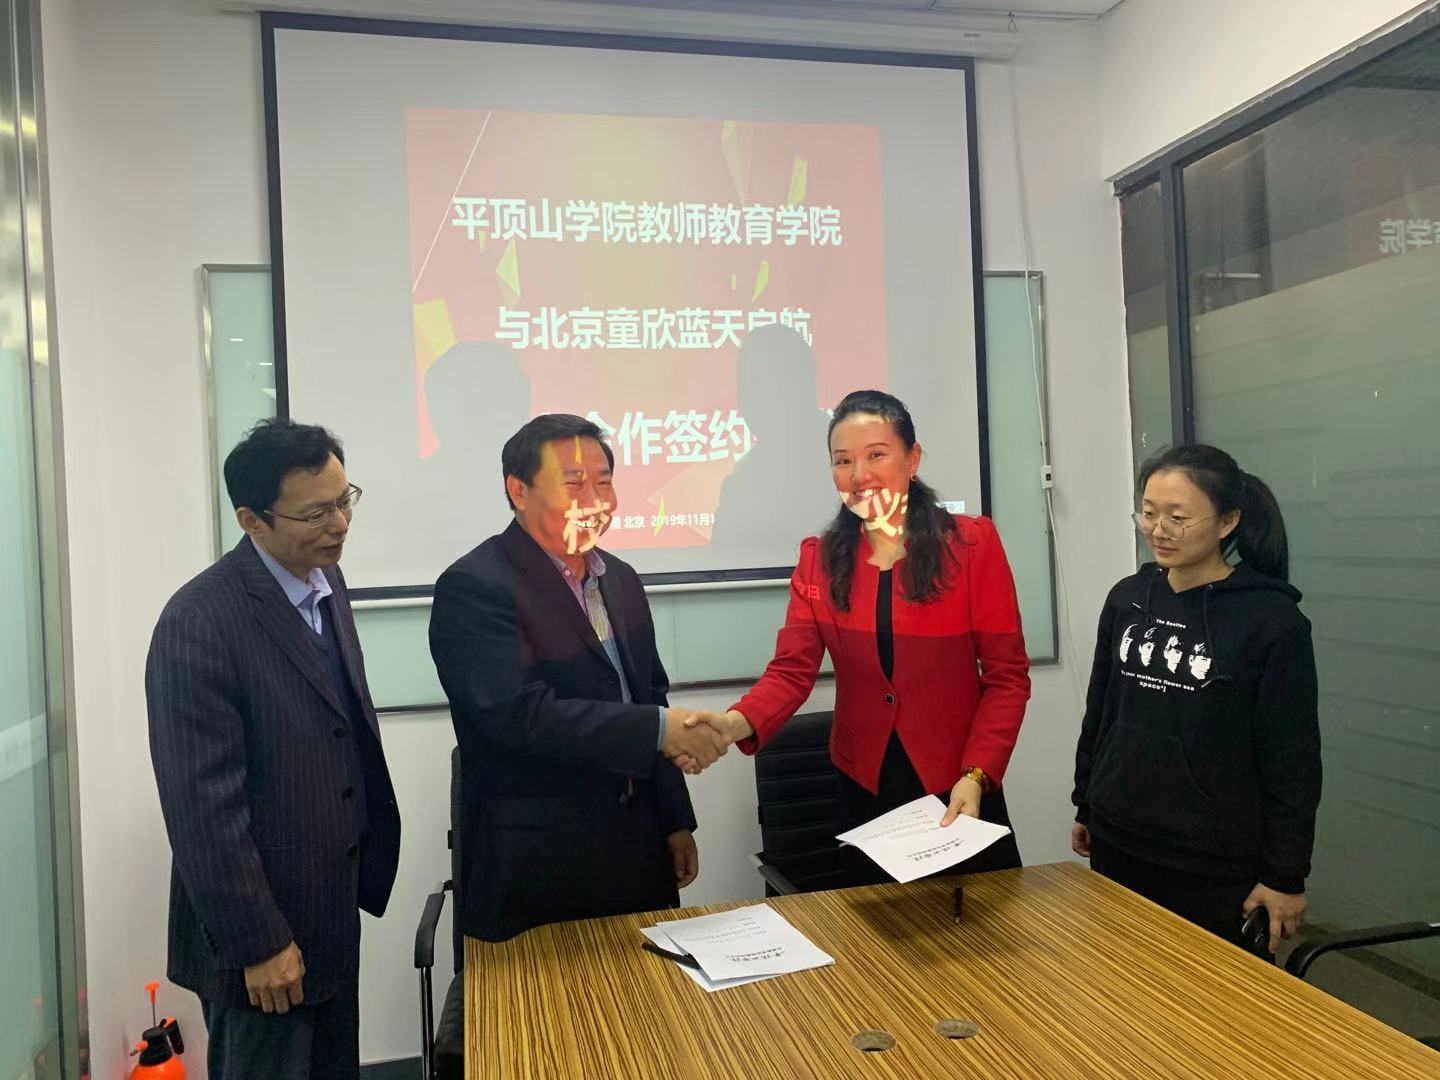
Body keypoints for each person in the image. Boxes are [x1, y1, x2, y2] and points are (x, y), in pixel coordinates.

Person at [689, 389, 1031, 885]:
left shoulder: (972, 545)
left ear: (912, 459)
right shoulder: (820, 559)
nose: (859, 475)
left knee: (977, 927)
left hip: (959, 786)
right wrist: (730, 725)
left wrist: (977, 773)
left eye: (876, 455)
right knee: (873, 930)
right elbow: (791, 671)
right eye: (843, 461)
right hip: (864, 789)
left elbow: (1007, 678)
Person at [146, 418, 401, 1080]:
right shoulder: (199, 621)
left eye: (344, 500)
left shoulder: (323, 583)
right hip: (261, 940)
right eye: (315, 513)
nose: (339, 524)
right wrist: (258, 942)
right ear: (251, 520)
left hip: (328, 911)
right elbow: (202, 810)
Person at [429, 413, 727, 941]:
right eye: (574, 483)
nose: (595, 500)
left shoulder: (620, 578)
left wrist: (676, 819)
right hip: (542, 864)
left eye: (604, 482)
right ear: (518, 490)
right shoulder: (474, 586)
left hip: (638, 852)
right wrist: (661, 731)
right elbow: (520, 715)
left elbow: (648, 695)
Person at [1071, 444, 1321, 953]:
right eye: (1148, 513)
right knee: (1118, 986)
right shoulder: (1127, 598)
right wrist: (1087, 803)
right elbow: (1102, 711)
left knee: (1210, 999)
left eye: (1179, 518)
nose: (1159, 530)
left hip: (1212, 863)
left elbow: (1292, 759)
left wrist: (1285, 874)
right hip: (1119, 839)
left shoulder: (1271, 621)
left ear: (1228, 521)